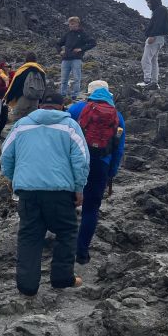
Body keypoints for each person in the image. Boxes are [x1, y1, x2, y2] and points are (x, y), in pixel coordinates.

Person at [1, 92, 90, 296]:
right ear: (62, 107)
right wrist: (79, 188)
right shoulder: (70, 126)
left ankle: (27, 286)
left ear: (40, 106)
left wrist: (16, 178)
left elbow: (6, 155)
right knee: (67, 232)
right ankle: (61, 278)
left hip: (28, 192)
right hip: (60, 192)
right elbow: (82, 161)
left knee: (30, 235)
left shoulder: (22, 125)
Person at [68, 81, 126, 264]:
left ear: (89, 93)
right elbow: (119, 148)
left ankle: (63, 245)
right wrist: (111, 172)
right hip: (101, 164)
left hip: (75, 163)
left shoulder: (76, 109)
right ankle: (82, 253)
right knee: (91, 209)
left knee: (67, 203)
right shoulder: (117, 116)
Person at [56, 16, 97, 100]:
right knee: (64, 79)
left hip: (76, 59)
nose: (71, 26)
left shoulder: (82, 34)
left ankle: (75, 95)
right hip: (65, 59)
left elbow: (93, 42)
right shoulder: (67, 34)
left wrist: (81, 49)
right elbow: (58, 44)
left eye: (73, 24)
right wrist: (60, 51)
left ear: (77, 24)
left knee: (76, 79)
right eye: (70, 24)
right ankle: (63, 95)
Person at [139, 0, 168, 89]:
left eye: (149, 3)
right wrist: (145, 30)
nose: (148, 5)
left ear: (154, 2)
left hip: (155, 37)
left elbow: (158, 24)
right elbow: (158, 24)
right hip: (159, 38)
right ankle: (154, 82)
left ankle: (147, 81)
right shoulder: (161, 10)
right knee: (153, 60)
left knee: (145, 59)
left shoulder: (159, 10)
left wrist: (152, 35)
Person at [3, 53, 46, 118]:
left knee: (17, 119)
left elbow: (15, 85)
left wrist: (9, 99)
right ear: (36, 60)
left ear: (26, 60)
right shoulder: (41, 71)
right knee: (32, 120)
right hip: (36, 100)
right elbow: (44, 86)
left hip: (23, 98)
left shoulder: (23, 70)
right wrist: (41, 101)